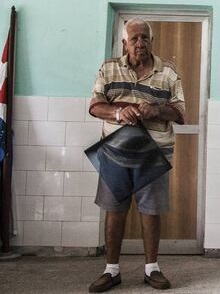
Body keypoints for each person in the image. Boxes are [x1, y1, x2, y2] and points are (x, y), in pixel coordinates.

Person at [88, 18, 185, 292]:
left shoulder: (168, 72)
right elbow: (95, 106)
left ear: (151, 41)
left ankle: (151, 269)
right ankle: (111, 271)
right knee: (114, 210)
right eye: (134, 39)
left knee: (151, 212)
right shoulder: (108, 69)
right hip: (114, 152)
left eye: (144, 38)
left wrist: (157, 109)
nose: (140, 43)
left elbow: (180, 112)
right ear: (124, 43)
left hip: (154, 153)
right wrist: (118, 113)